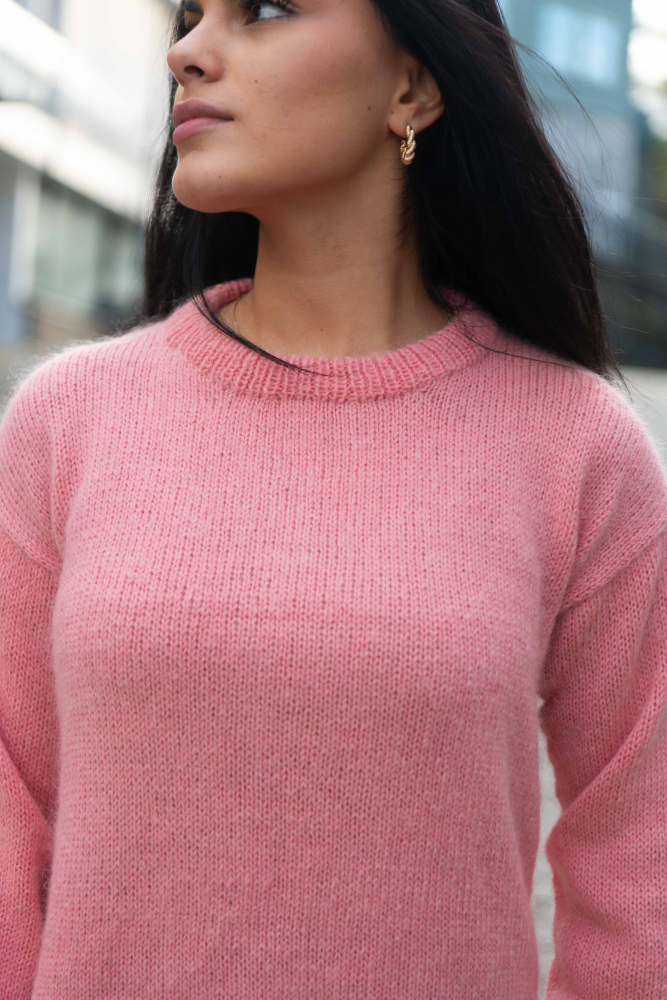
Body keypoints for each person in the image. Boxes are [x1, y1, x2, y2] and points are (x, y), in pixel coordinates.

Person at [1, 0, 666, 996]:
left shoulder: (577, 449)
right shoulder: (67, 423)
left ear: (413, 86)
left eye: (263, 9)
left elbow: (642, 858)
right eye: (190, 15)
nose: (187, 51)